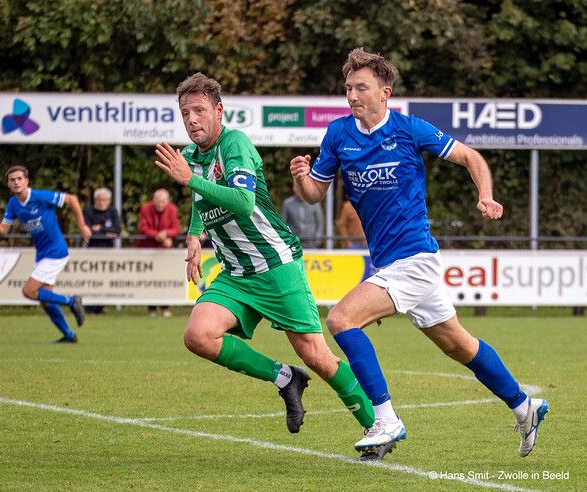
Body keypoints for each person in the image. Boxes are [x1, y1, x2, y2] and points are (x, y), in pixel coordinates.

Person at [290, 47, 548, 458]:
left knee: (340, 318)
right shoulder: (339, 134)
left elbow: (469, 156)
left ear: (385, 92)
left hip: (415, 258)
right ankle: (525, 405)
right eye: (348, 88)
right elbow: (313, 195)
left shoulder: (410, 130)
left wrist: (486, 195)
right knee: (459, 345)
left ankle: (386, 420)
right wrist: (302, 179)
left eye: (362, 88)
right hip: (390, 262)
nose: (352, 96)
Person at [154, 72, 393, 460]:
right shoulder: (192, 157)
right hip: (236, 273)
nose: (192, 119)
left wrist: (189, 181)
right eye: (185, 112)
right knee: (198, 335)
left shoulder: (236, 144)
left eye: (199, 110)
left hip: (276, 265)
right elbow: (201, 202)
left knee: (316, 355)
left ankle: (377, 427)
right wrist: (195, 236)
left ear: (218, 111)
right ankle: (286, 378)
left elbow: (244, 203)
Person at [0, 164, 90, 343]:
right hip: (42, 254)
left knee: (28, 291)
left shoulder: (40, 196)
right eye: (12, 180)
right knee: (45, 300)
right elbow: (4, 231)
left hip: (56, 252)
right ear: (8, 184)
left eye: (20, 179)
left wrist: (82, 226)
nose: (16, 182)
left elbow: (72, 199)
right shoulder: (13, 204)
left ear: (27, 181)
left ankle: (71, 301)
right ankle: (69, 335)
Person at [137, 188, 181, 317]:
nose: (159, 204)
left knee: (165, 278)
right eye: (157, 201)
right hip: (148, 249)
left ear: (167, 201)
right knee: (150, 279)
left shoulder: (172, 209)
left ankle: (165, 307)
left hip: (164, 252)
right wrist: (158, 236)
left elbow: (176, 229)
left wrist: (166, 235)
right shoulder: (145, 208)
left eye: (162, 201)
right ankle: (151, 308)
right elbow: (144, 228)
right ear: (153, 200)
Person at [84, 187, 121, 314]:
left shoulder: (112, 211)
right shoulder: (88, 211)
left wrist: (99, 228)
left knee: (105, 278)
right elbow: (87, 230)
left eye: (105, 201)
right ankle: (89, 307)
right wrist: (106, 231)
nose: (102, 203)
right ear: (95, 200)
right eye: (99, 200)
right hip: (92, 249)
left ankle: (100, 307)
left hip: (108, 250)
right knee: (92, 279)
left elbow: (117, 230)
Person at [280, 181, 324, 248]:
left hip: (311, 243)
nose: (298, 189)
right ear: (293, 188)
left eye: (300, 186)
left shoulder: (315, 203)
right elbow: (282, 225)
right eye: (296, 186)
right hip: (294, 244)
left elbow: (320, 223)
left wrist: (317, 241)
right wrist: (287, 241)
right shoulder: (287, 204)